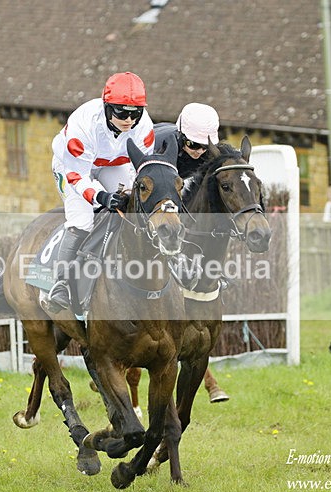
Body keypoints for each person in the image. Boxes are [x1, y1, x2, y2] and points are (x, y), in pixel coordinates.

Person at [44, 71, 156, 312]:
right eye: (121, 113)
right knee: (82, 220)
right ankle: (60, 283)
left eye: (135, 113)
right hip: (72, 167)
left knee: (132, 207)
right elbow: (77, 176)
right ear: (107, 107)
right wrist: (102, 197)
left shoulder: (144, 126)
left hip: (112, 164)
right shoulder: (83, 124)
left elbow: (142, 170)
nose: (129, 120)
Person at [155, 102, 230, 403]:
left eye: (204, 147)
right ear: (180, 136)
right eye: (193, 146)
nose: (198, 152)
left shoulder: (207, 150)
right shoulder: (163, 144)